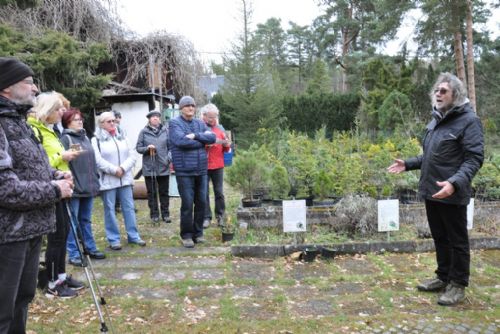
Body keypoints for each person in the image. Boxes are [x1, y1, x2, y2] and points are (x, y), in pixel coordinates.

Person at [387, 72, 484, 306]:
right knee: (440, 237)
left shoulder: (469, 121)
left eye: (444, 91)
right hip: (432, 191)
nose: (438, 94)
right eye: (437, 90)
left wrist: (454, 183)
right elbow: (431, 156)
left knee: (457, 241)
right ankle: (443, 277)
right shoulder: (437, 119)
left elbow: (474, 158)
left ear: (455, 95)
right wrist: (409, 163)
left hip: (452, 192)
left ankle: (458, 285)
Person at [0, 57, 74, 333]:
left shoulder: (19, 122)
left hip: (30, 229)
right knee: (2, 311)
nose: (35, 89)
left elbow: (35, 168)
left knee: (23, 299)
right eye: (29, 82)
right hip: (7, 236)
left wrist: (57, 176)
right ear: (6, 88)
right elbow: (5, 188)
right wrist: (55, 189)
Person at [28, 92, 85, 298]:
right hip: (49, 189)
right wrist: (61, 157)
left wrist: (63, 169)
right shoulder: (35, 130)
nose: (62, 113)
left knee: (62, 233)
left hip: (61, 185)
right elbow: (39, 164)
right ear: (48, 110)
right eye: (57, 110)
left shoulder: (50, 131)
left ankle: (60, 275)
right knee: (56, 237)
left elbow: (52, 160)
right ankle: (51, 282)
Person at [92, 111, 146, 250]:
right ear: (102, 124)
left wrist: (122, 168)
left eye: (114, 121)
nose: (113, 124)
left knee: (129, 208)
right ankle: (113, 239)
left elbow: (132, 155)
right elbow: (97, 160)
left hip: (125, 178)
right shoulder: (96, 139)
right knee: (110, 209)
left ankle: (133, 236)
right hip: (108, 180)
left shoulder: (123, 136)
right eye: (109, 121)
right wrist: (114, 170)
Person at [60, 108, 106, 266]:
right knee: (72, 222)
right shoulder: (66, 138)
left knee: (85, 220)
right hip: (75, 189)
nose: (80, 121)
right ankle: (74, 254)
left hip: (89, 186)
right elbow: (63, 163)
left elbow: (91, 161)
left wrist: (95, 179)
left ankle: (89, 248)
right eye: (75, 119)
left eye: (80, 119)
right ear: (67, 122)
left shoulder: (85, 137)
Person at [169, 96, 215, 248]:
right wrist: (202, 142)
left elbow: (212, 137)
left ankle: (198, 232)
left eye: (193, 106)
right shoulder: (175, 123)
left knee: (201, 202)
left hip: (201, 170)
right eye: (187, 106)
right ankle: (187, 235)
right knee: (188, 204)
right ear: (181, 108)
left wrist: (196, 136)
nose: (190, 108)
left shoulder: (199, 123)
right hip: (184, 171)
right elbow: (181, 141)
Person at [136, 110, 171, 224]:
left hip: (163, 166)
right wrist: (147, 148)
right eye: (153, 117)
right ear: (149, 119)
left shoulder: (166, 131)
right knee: (152, 192)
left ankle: (165, 214)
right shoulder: (144, 132)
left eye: (157, 117)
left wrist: (169, 158)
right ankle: (154, 214)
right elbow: (138, 148)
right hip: (149, 167)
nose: (155, 118)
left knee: (164, 192)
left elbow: (171, 147)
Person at [200, 103, 231, 228]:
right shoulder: (199, 127)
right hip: (203, 165)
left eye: (215, 117)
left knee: (219, 192)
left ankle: (220, 217)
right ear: (204, 116)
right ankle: (206, 217)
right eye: (210, 117)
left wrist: (226, 144)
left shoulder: (220, 129)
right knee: (204, 192)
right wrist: (206, 145)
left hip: (218, 165)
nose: (213, 120)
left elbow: (227, 149)